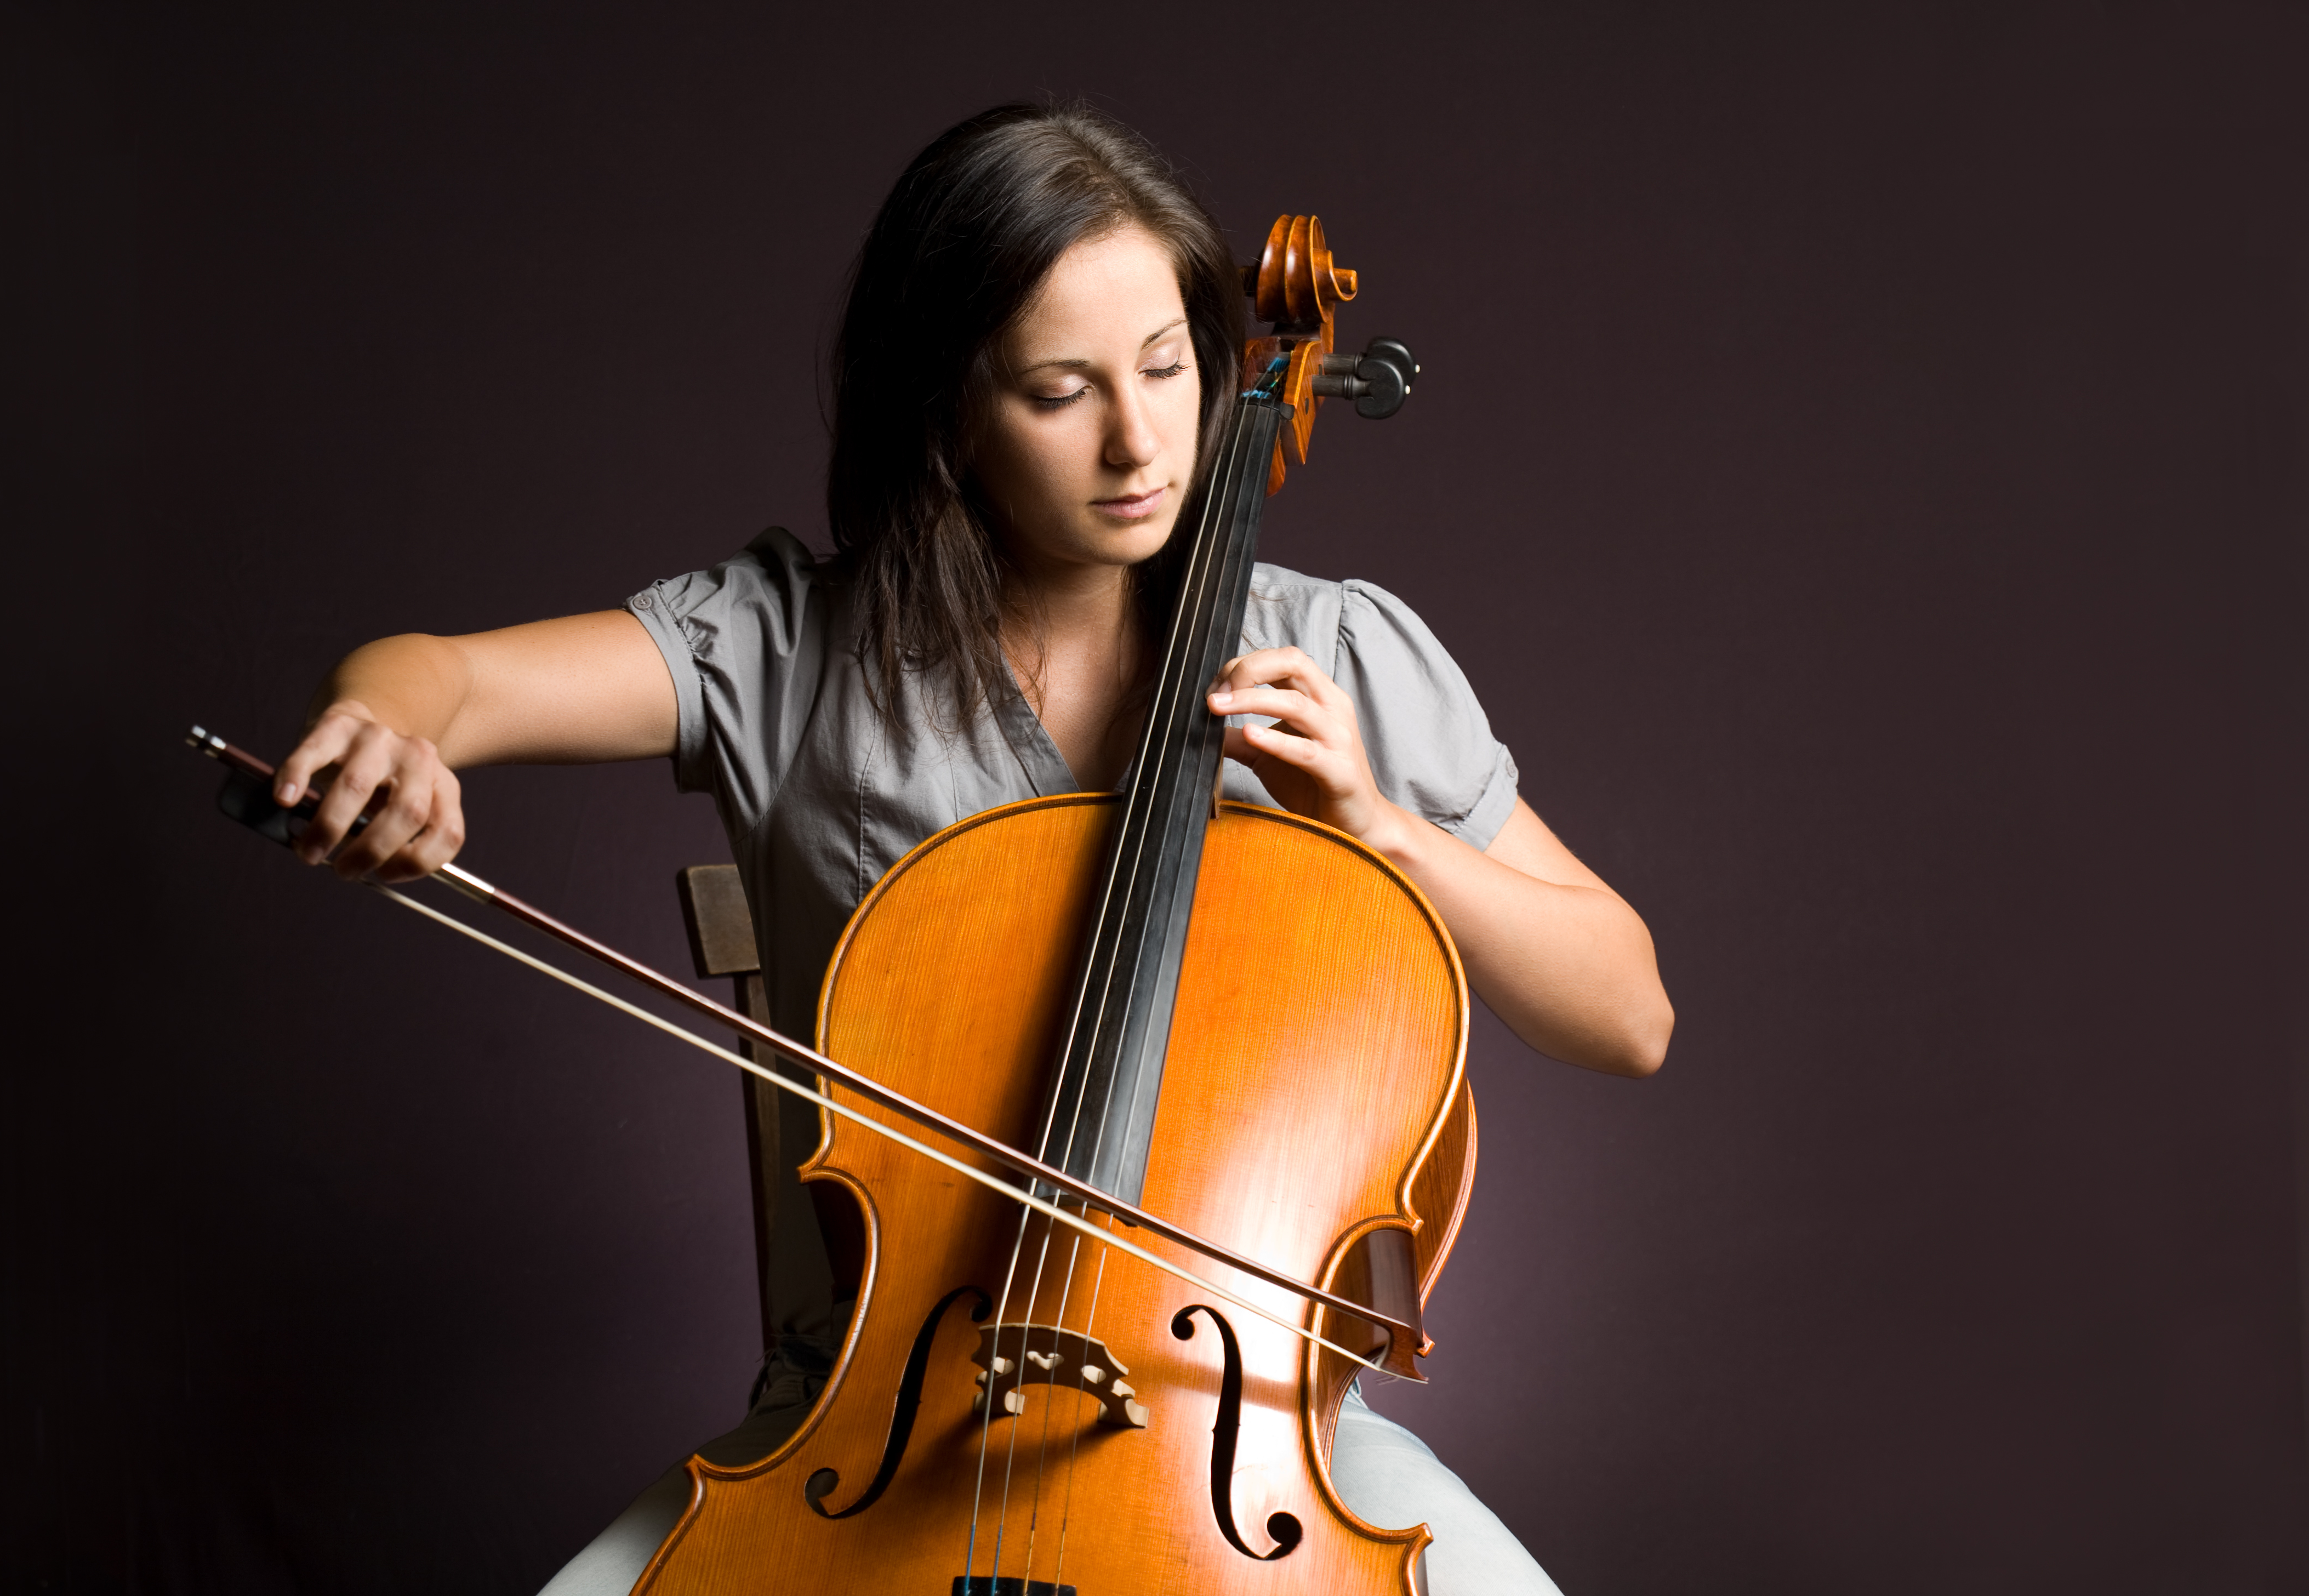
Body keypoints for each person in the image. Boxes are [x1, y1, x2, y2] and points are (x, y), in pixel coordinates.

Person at [272, 102, 1672, 1596]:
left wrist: (1376, 827)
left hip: (1245, 1442)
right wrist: (385, 734)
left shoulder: (1331, 650)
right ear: (949, 410)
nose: (1140, 441)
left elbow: (1628, 1011)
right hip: (863, 1435)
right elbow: (443, 673)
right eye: (1061, 391)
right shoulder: (787, 648)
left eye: (1168, 368)